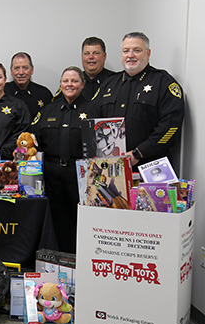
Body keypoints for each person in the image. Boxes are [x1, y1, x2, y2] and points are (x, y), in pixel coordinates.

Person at [93, 32, 185, 168]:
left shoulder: (163, 82)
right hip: (112, 165)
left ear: (148, 53)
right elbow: (93, 118)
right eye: (126, 51)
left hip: (151, 166)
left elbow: (170, 126)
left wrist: (139, 153)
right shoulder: (109, 84)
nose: (130, 55)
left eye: (137, 50)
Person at [31, 67, 93, 253]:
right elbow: (33, 141)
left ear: (82, 84)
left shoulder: (94, 109)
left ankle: (80, 257)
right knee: (55, 219)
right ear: (60, 84)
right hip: (52, 174)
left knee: (80, 219)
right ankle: (57, 258)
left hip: (80, 174)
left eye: (74, 81)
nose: (70, 85)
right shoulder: (48, 110)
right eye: (66, 81)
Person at [54, 37, 115, 102]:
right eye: (86, 53)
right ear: (82, 56)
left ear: (104, 56)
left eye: (96, 53)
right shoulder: (72, 82)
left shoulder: (115, 81)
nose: (91, 57)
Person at [4, 52, 53, 118]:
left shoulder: (44, 94)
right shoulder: (3, 92)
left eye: (25, 68)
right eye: (17, 68)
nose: (21, 72)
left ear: (32, 69)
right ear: (11, 71)